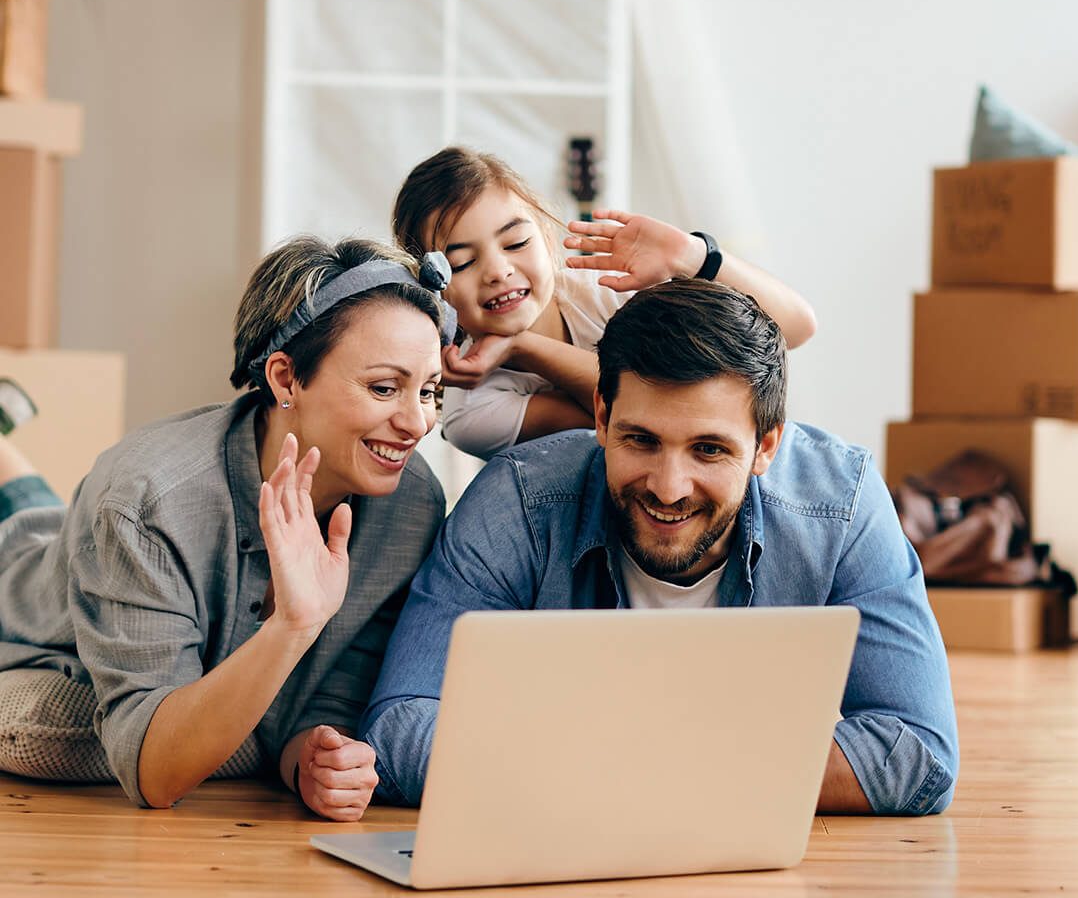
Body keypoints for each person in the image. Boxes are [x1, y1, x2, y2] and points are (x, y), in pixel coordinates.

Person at [360, 279, 959, 816]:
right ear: (600, 415)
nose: (668, 488)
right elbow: (399, 727)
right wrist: (699, 770)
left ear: (766, 445)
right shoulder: (518, 499)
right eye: (641, 440)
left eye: (709, 450)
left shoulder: (842, 504)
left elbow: (918, 754)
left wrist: (623, 766)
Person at [0, 236, 457, 821]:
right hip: (30, 611)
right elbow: (157, 777)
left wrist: (310, 759)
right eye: (384, 388)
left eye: (429, 391)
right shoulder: (147, 498)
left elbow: (329, 693)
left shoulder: (412, 503)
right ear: (286, 379)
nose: (417, 422)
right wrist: (293, 623)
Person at [392, 145, 817, 461]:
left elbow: (795, 327)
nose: (498, 271)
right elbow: (638, 415)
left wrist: (692, 255)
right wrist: (524, 348)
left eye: (516, 242)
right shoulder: (474, 412)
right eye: (463, 263)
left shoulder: (607, 287)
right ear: (433, 284)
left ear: (545, 235)